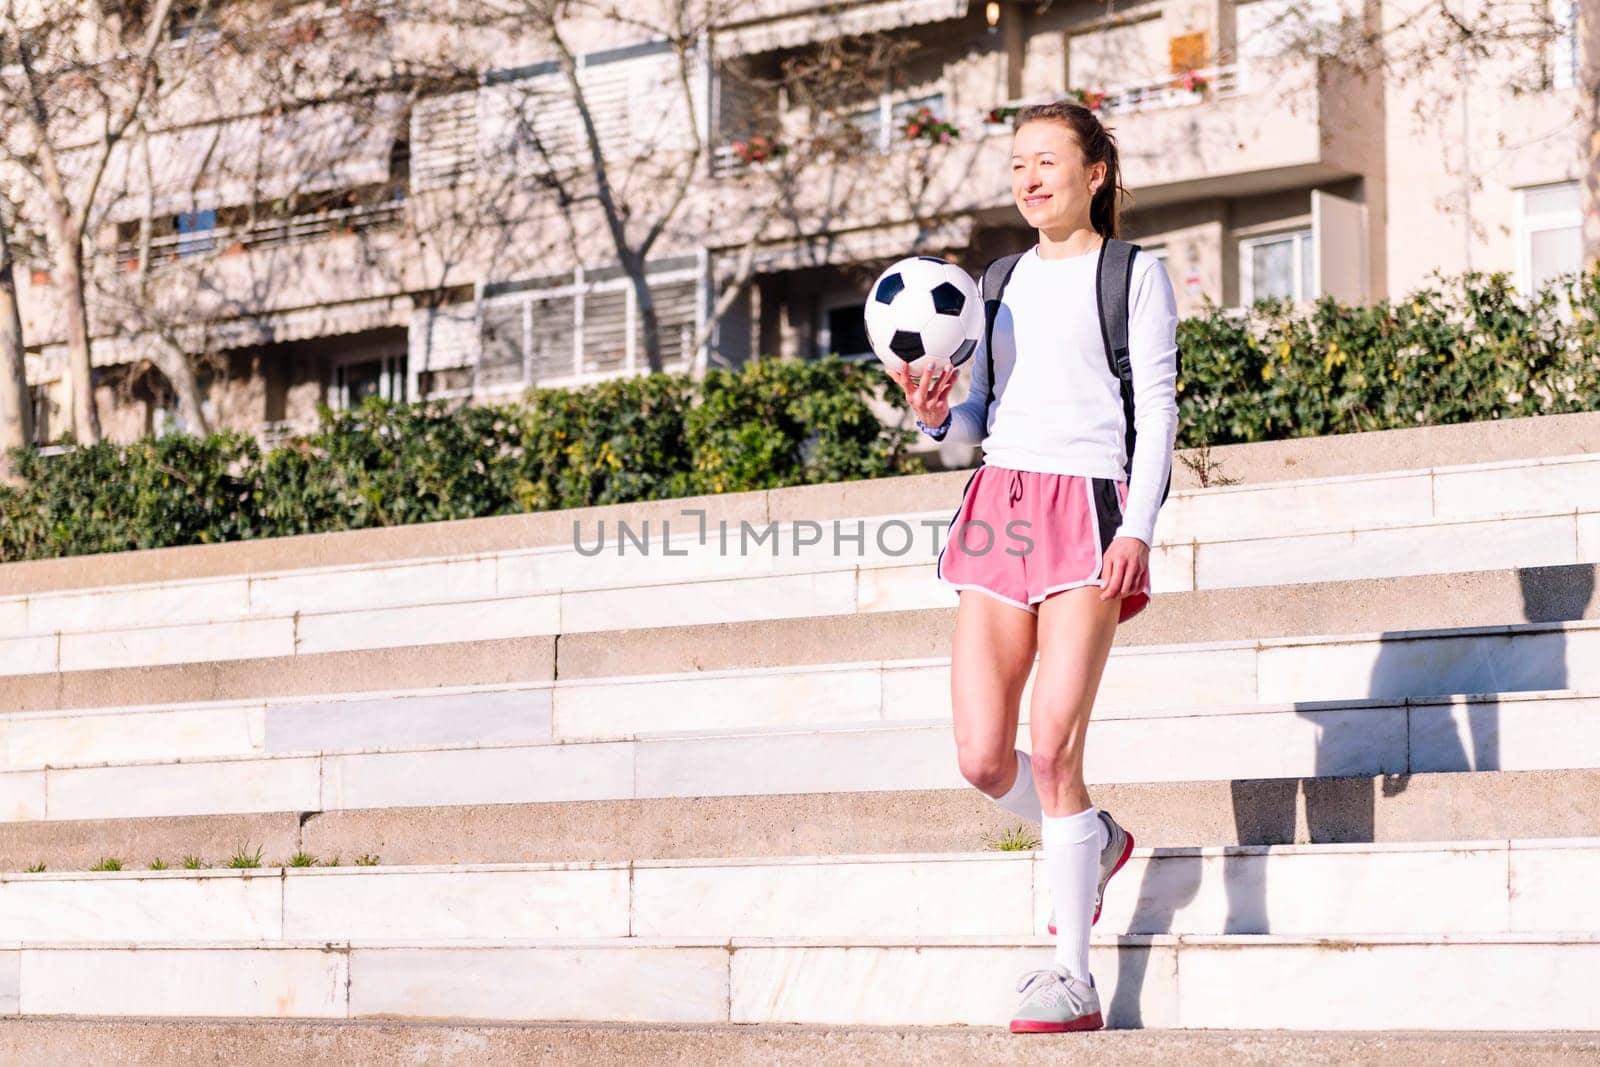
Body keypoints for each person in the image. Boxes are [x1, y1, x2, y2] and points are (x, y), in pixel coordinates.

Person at [887, 100, 1179, 1033]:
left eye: (1047, 160)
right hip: (998, 507)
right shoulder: (994, 281)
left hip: (1090, 508)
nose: (1029, 177)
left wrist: (1138, 525)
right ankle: (1094, 840)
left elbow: (1160, 412)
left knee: (1052, 746)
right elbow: (964, 422)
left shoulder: (1133, 274)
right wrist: (931, 412)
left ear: (1096, 172)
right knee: (982, 756)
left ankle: (1073, 973)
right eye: (1017, 164)